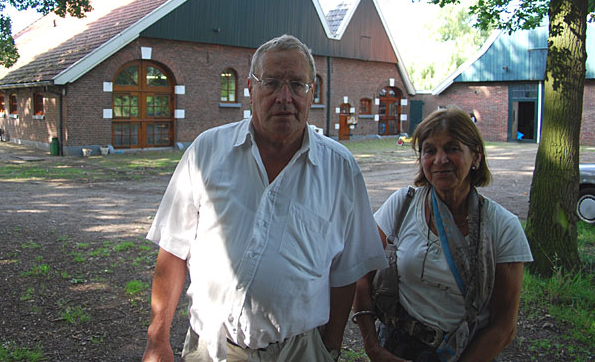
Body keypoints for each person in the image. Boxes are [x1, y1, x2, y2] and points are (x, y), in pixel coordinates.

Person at [143, 34, 387, 362]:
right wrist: (157, 339)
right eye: (271, 83)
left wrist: (330, 348)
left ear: (312, 90)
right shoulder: (207, 152)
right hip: (214, 349)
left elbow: (346, 270)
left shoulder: (339, 168)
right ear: (250, 87)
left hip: (300, 351)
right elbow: (173, 248)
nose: (284, 97)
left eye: (297, 85)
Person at [352, 108, 533, 361]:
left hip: (467, 353)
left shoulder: (503, 227)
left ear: (476, 157)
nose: (440, 160)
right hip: (396, 348)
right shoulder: (401, 206)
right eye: (429, 150)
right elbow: (361, 275)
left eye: (452, 148)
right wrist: (373, 349)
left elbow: (504, 327)